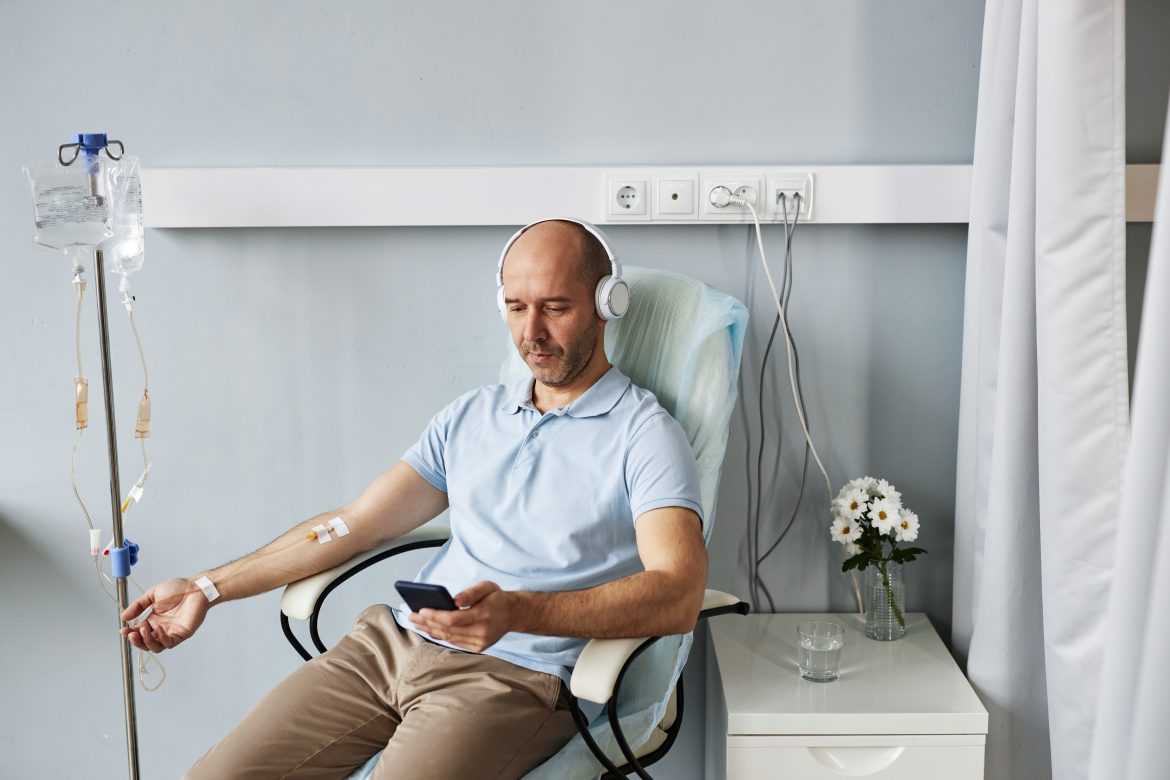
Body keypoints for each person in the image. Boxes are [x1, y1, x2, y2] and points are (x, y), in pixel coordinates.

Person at [121, 218, 708, 779]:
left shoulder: (643, 434)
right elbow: (353, 525)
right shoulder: (473, 416)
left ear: (607, 304)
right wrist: (206, 588)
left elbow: (677, 591)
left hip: (515, 678)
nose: (532, 333)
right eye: (516, 307)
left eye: (556, 307)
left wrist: (518, 611)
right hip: (390, 646)